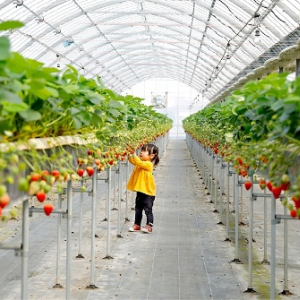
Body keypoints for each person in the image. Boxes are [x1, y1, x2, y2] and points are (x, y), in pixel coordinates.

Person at [127, 143, 159, 233]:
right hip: (141, 191)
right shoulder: (140, 164)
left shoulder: (148, 164)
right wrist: (129, 155)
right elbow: (133, 161)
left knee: (148, 210)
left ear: (152, 156)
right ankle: (137, 225)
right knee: (138, 208)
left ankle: (149, 226)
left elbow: (138, 162)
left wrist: (134, 154)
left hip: (148, 193)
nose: (141, 153)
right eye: (141, 151)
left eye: (144, 151)